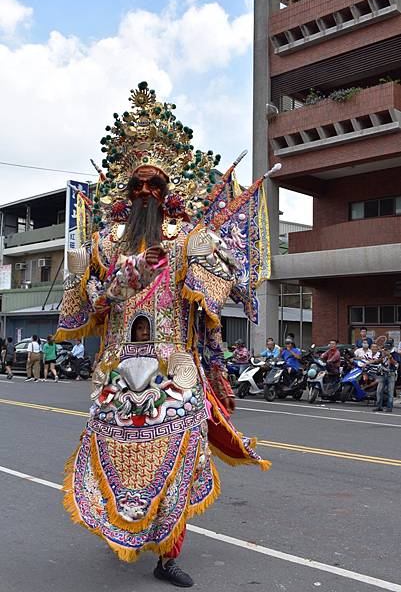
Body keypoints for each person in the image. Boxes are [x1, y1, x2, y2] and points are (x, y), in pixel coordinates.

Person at [55, 82, 270, 587]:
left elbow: (216, 289)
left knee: (179, 459)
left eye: (156, 186)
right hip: (115, 373)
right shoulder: (102, 244)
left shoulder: (188, 239)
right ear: (125, 194)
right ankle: (124, 528)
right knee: (119, 459)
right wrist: (117, 283)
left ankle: (168, 555)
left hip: (174, 370)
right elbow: (77, 311)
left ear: (170, 192)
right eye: (137, 187)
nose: (146, 195)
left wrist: (225, 273)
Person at [373, 339, 400, 413]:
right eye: (385, 347)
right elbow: (378, 361)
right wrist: (383, 356)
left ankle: (389, 407)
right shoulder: (382, 352)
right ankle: (379, 406)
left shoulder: (395, 354)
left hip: (391, 374)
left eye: (388, 347)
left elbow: (396, 364)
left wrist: (389, 356)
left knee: (390, 392)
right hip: (382, 373)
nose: (386, 349)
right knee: (379, 391)